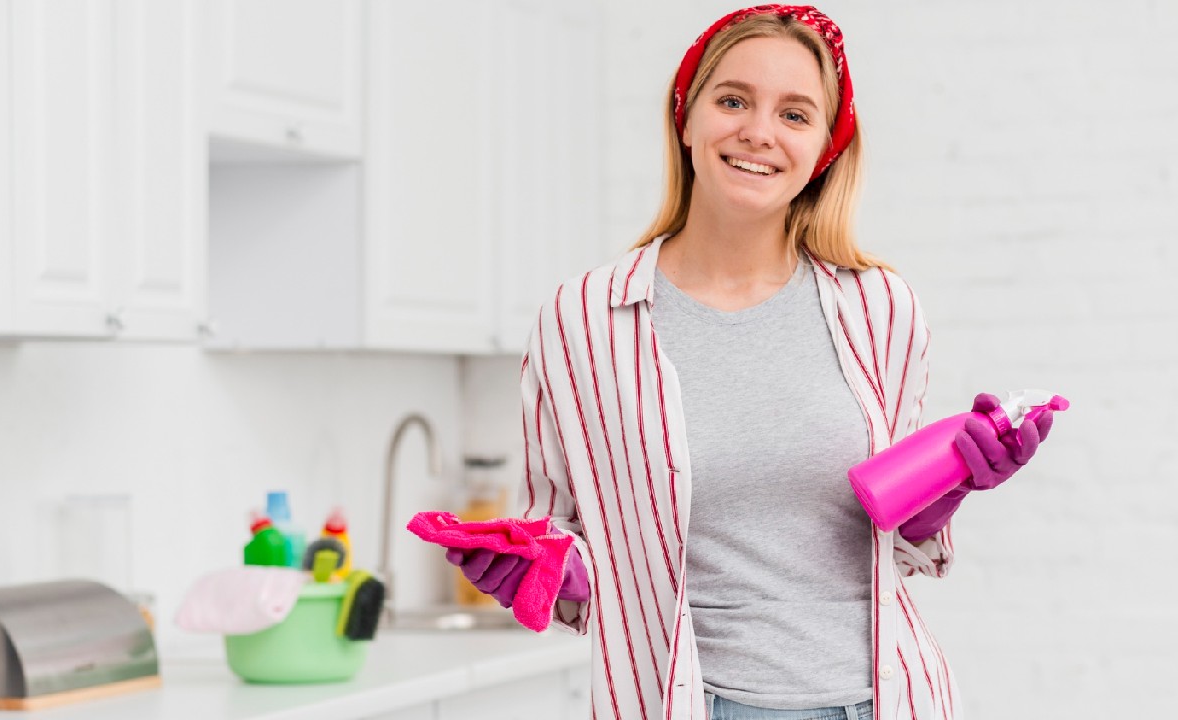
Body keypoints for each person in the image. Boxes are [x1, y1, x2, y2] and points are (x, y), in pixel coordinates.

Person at [442, 6, 1054, 719]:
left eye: (795, 115)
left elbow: (903, 541)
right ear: (687, 117)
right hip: (691, 702)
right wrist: (547, 572)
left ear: (825, 147)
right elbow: (560, 529)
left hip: (886, 699)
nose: (759, 132)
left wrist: (951, 484)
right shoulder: (583, 319)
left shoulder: (881, 309)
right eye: (732, 100)